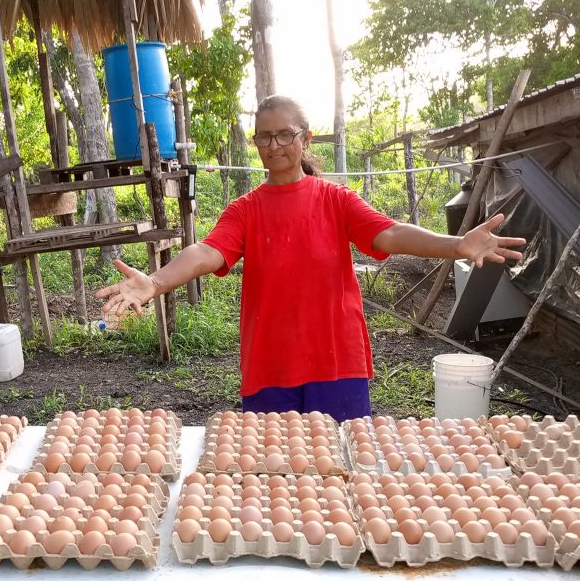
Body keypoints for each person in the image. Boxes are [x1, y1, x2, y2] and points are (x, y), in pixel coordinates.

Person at [95, 95, 526, 422]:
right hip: (270, 365)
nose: (275, 145)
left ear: (305, 138)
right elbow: (207, 251)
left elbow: (390, 233)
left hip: (336, 361)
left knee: (344, 470)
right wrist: (156, 281)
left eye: (285, 134)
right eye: (264, 136)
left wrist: (456, 245)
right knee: (276, 481)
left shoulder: (336, 200)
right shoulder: (245, 210)